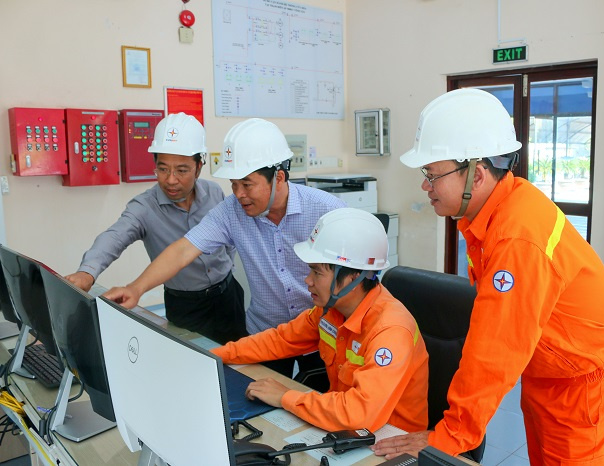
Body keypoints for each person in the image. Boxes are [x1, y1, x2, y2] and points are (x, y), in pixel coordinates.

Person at [372, 89, 604, 465]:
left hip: (581, 382)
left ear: (476, 175)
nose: (425, 186)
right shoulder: (497, 210)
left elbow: (495, 349)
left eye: (432, 174)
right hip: (548, 368)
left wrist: (451, 435)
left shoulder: (516, 238)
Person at [103, 118, 345, 377]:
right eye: (233, 184)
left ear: (279, 177)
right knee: (258, 397)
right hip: (267, 336)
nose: (238, 194)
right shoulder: (232, 211)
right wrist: (136, 288)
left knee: (323, 395)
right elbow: (184, 250)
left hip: (326, 332)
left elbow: (357, 279)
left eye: (247, 184)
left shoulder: (327, 211)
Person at [211, 208, 429, 433]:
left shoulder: (390, 331)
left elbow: (358, 414)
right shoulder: (331, 310)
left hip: (390, 439)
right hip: (340, 422)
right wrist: (214, 356)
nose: (308, 280)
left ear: (353, 277)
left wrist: (285, 396)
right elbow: (281, 339)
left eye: (317, 272)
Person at [66, 113, 246, 344]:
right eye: (163, 169)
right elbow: (114, 237)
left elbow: (229, 242)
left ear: (198, 167)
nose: (170, 179)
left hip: (228, 296)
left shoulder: (214, 193)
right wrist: (87, 272)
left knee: (242, 359)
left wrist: (228, 268)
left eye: (182, 170)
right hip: (186, 307)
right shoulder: (144, 207)